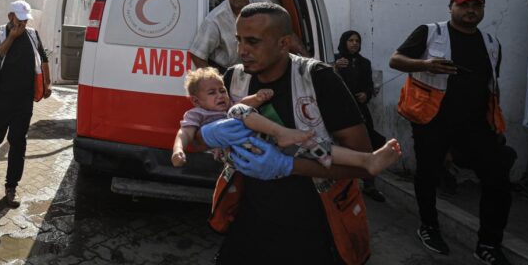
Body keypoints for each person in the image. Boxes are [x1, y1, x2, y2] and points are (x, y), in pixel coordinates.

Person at [199, 2, 383, 265]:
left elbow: (362, 160)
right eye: (239, 39)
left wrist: (287, 166)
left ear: (283, 43)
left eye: (252, 41)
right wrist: (210, 135)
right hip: (248, 231)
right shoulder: (234, 78)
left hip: (312, 237)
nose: (241, 49)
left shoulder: (319, 80)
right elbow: (198, 132)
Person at [389, 0, 520, 265]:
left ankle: (488, 244)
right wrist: (425, 65)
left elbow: (489, 86)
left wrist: (494, 126)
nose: (470, 10)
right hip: (432, 119)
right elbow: (395, 60)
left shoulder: (491, 43)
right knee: (428, 173)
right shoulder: (430, 32)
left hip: (475, 125)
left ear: (483, 10)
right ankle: (429, 226)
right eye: (464, 5)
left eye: (477, 5)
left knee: (498, 178)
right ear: (451, 7)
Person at [171, 67, 402, 177]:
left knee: (314, 145)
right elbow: (185, 134)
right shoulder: (198, 115)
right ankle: (283, 133)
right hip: (239, 153)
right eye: (212, 93)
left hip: (265, 143)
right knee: (238, 109)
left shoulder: (230, 103)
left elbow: (245, 103)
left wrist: (257, 98)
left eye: (221, 89)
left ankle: (367, 160)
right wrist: (179, 151)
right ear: (196, 100)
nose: (220, 95)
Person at [0, 0, 53, 208]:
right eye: (19, 18)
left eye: (25, 18)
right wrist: (12, 37)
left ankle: (11, 187)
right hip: (2, 97)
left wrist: (47, 83)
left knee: (18, 141)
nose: (22, 22)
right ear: (10, 15)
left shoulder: (32, 34)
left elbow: (43, 58)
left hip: (24, 99)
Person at [334, 30, 388, 202]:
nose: (354, 43)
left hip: (360, 109)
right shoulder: (336, 60)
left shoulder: (365, 63)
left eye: (357, 40)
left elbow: (369, 86)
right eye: (351, 40)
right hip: (340, 110)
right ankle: (341, 185)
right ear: (344, 42)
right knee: (340, 146)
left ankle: (369, 184)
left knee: (368, 145)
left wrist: (366, 94)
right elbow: (326, 83)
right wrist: (335, 67)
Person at [189, 0, 268, 72]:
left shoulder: (265, 5)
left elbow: (284, 32)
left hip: (264, 69)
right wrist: (215, 82)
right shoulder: (215, 19)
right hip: (231, 72)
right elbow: (197, 54)